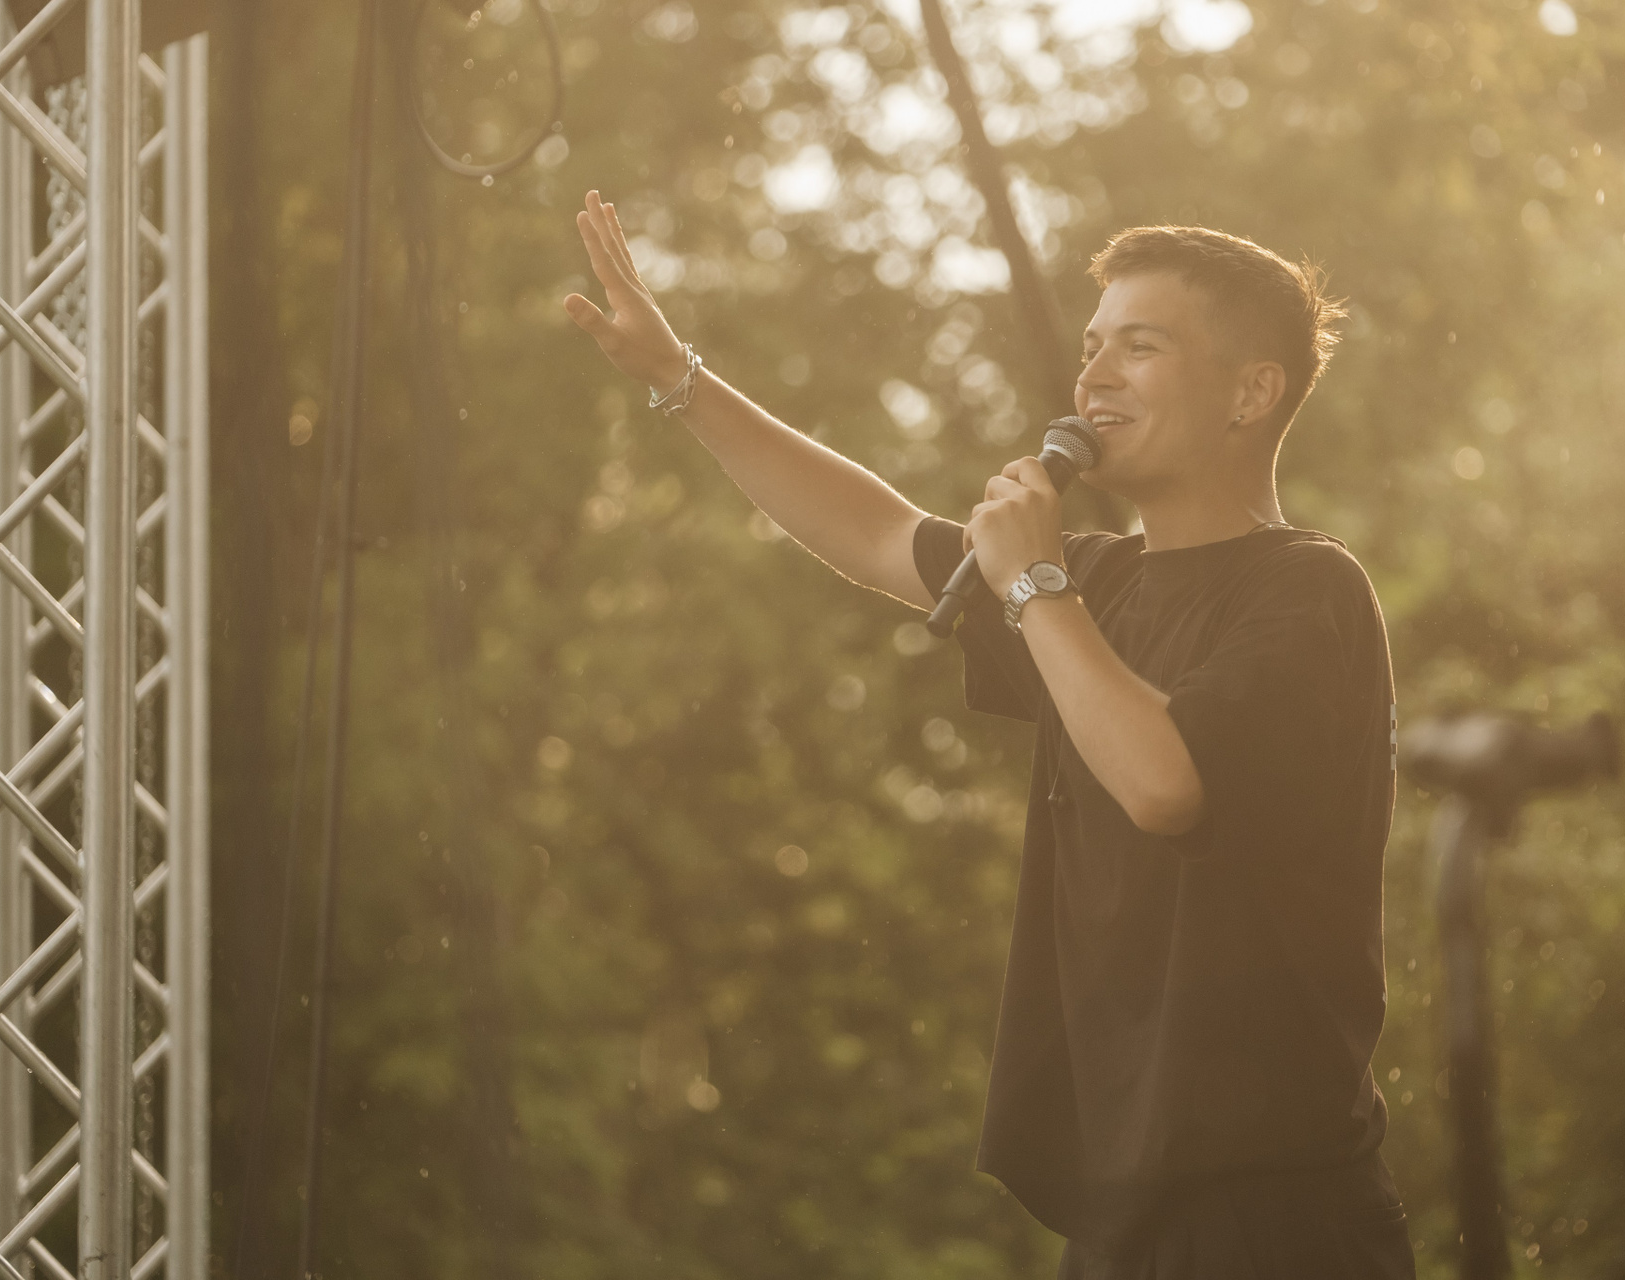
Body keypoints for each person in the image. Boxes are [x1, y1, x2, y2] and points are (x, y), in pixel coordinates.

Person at [566, 192, 1411, 1280]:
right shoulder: (1095, 585)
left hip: (1276, 1220)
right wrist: (676, 375)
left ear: (1253, 391)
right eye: (1092, 347)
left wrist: (1035, 582)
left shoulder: (1307, 590)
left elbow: (1166, 783)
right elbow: (876, 530)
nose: (1094, 378)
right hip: (1119, 1219)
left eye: (1140, 347)